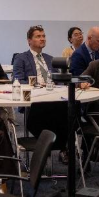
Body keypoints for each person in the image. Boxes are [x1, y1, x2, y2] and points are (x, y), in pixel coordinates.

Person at [12, 26, 69, 162]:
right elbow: (19, 80)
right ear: (29, 41)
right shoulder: (21, 58)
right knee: (50, 114)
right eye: (38, 36)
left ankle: (61, 146)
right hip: (34, 101)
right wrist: (37, 85)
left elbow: (58, 80)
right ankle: (50, 145)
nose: (42, 39)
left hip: (53, 98)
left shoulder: (50, 59)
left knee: (69, 111)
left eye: (43, 36)